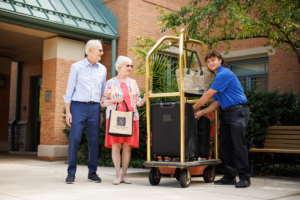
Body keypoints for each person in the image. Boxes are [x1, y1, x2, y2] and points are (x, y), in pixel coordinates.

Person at [193, 50, 251, 188]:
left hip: (238, 111)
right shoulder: (218, 77)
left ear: (220, 60)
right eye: (208, 61)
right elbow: (216, 102)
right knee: (226, 146)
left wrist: (192, 108)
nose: (210, 63)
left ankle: (245, 177)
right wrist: (202, 112)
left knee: (238, 145)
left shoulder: (224, 74)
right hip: (227, 113)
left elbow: (207, 95)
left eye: (213, 60)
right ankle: (229, 176)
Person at [63, 39, 107, 184]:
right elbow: (69, 91)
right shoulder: (76, 67)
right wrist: (68, 112)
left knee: (94, 140)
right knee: (75, 138)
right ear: (90, 51)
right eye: (99, 50)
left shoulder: (103, 69)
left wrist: (100, 111)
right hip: (78, 106)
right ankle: (71, 172)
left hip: (95, 107)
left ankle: (92, 172)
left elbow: (102, 93)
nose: (102, 53)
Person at [101, 56, 149, 185]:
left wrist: (143, 100)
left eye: (131, 66)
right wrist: (113, 100)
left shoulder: (133, 83)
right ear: (120, 66)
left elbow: (137, 102)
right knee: (116, 146)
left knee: (127, 147)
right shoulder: (110, 83)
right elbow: (103, 102)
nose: (130, 68)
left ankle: (124, 175)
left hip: (131, 117)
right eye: (127, 65)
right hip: (114, 117)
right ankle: (117, 175)